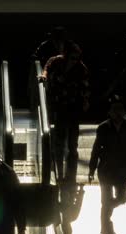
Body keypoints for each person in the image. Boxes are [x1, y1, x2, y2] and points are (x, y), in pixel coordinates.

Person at [88, 95, 126, 228]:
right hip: (106, 170)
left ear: (123, 111)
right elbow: (96, 149)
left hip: (122, 171)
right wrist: (91, 169)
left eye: (120, 109)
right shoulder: (103, 128)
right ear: (110, 112)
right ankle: (104, 226)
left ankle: (107, 211)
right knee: (106, 199)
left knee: (122, 198)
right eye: (115, 110)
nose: (117, 113)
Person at [43, 42, 90, 183]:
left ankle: (71, 169)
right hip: (59, 103)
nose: (74, 61)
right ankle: (59, 162)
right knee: (60, 132)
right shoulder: (56, 61)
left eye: (77, 58)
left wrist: (86, 100)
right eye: (72, 57)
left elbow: (85, 85)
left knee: (73, 137)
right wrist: (44, 76)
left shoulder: (80, 68)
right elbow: (47, 67)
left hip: (73, 104)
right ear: (66, 55)